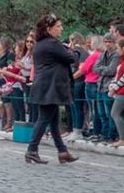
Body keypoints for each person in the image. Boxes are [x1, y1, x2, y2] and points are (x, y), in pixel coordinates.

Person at [24, 14, 78, 165]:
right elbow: (70, 58)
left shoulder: (41, 43)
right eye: (58, 26)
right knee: (44, 119)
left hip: (45, 86)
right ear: (49, 29)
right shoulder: (52, 43)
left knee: (53, 121)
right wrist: (71, 50)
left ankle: (62, 151)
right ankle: (32, 149)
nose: (61, 29)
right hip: (50, 87)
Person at [75, 35, 103, 139]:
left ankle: (95, 131)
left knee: (93, 109)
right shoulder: (102, 55)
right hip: (98, 82)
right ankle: (97, 130)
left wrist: (72, 77)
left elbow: (84, 69)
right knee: (97, 108)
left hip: (91, 83)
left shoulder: (94, 55)